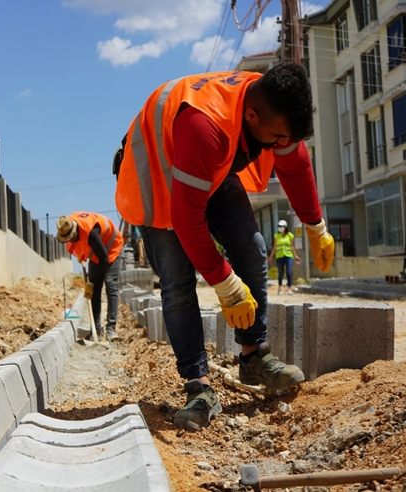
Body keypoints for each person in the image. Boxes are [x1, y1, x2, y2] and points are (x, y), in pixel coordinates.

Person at [114, 63, 335, 429]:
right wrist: (225, 283)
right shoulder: (207, 126)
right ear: (251, 116)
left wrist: (315, 224)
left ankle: (254, 358)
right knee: (177, 280)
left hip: (203, 169)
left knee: (252, 247)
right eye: (278, 137)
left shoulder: (270, 105)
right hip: (154, 176)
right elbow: (187, 220)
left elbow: (294, 165)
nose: (282, 144)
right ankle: (198, 387)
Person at [57, 212, 124, 341]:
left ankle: (111, 329)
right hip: (97, 252)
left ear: (75, 232)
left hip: (112, 247)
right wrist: (92, 284)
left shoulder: (91, 233)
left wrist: (91, 281)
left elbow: (104, 259)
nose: (70, 240)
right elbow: (82, 249)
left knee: (110, 284)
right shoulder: (67, 226)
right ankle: (96, 329)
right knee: (94, 290)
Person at [269, 219, 301, 295]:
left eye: (282, 226)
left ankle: (289, 288)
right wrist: (271, 256)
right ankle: (279, 289)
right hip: (279, 256)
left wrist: (295, 256)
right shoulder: (276, 236)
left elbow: (292, 246)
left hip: (288, 256)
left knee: (289, 272)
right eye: (279, 226)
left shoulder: (290, 235)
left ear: (285, 227)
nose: (280, 227)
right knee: (281, 273)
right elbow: (275, 246)